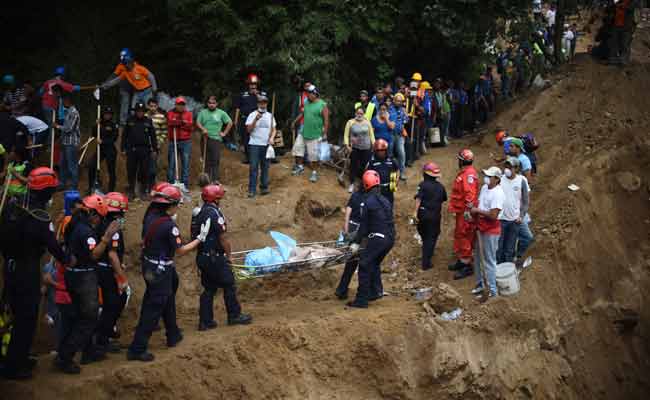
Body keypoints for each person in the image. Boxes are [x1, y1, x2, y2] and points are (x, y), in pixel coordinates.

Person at [127, 183, 210, 362]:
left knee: (169, 294)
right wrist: (199, 239)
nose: (177, 208)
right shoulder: (168, 226)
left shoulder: (150, 215)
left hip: (152, 265)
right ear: (169, 205)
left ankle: (173, 333)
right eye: (177, 204)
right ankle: (137, 347)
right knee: (154, 306)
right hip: (160, 269)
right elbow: (180, 250)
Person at [0, 168, 69, 379]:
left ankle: (15, 357)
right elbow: (53, 247)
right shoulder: (39, 217)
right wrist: (68, 259)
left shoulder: (12, 207)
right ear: (46, 192)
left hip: (10, 267)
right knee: (26, 319)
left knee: (13, 313)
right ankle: (14, 366)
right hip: (26, 270)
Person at [56, 195, 119, 373]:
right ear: (92, 214)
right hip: (83, 278)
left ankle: (88, 350)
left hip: (73, 276)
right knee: (88, 318)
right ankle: (65, 356)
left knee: (79, 315)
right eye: (99, 217)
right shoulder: (86, 231)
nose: (99, 221)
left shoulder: (73, 225)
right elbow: (94, 255)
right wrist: (106, 237)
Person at [195, 184, 252, 330]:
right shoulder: (215, 214)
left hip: (202, 256)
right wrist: (229, 256)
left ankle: (205, 321)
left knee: (209, 288)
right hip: (215, 257)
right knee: (229, 284)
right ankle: (234, 315)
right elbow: (223, 238)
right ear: (216, 199)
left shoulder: (198, 213)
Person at [346, 170, 395, 308]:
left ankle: (361, 300)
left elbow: (364, 227)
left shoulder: (367, 202)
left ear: (366, 185)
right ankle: (375, 292)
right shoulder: (385, 200)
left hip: (378, 238)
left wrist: (355, 242)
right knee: (373, 263)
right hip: (390, 238)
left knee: (364, 264)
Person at [94, 192, 129, 353]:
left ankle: (104, 334)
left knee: (114, 302)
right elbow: (112, 254)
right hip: (107, 270)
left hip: (101, 269)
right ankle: (102, 338)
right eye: (122, 214)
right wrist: (121, 277)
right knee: (113, 304)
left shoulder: (101, 222)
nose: (123, 217)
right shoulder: (113, 228)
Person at [470, 167, 505, 298]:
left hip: (491, 230)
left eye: (489, 176)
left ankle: (493, 290)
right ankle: (480, 285)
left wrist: (477, 211)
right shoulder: (485, 188)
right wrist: (473, 208)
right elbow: (480, 204)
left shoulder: (498, 193)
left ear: (496, 179)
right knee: (478, 256)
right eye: (486, 175)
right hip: (481, 227)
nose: (486, 178)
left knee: (489, 260)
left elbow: (493, 215)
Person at [100, 49, 157, 130]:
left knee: (150, 109)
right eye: (125, 64)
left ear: (131, 61)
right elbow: (116, 80)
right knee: (133, 110)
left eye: (127, 63)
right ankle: (135, 128)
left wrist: (154, 89)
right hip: (137, 92)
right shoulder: (125, 72)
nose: (126, 65)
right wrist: (105, 85)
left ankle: (153, 127)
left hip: (147, 91)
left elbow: (151, 76)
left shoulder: (140, 68)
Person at [448, 149, 479, 280]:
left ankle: (467, 265)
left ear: (461, 161)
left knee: (465, 235)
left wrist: (467, 211)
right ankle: (462, 260)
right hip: (461, 211)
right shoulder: (466, 173)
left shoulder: (468, 175)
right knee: (460, 234)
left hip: (465, 212)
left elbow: (470, 195)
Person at [413, 162, 447, 271]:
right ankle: (426, 262)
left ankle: (426, 254)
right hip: (434, 216)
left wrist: (414, 213)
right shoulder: (441, 187)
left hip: (422, 215)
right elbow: (443, 199)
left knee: (424, 235)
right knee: (432, 237)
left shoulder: (422, 185)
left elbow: (418, 199)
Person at [292, 85, 329, 182]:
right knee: (298, 149)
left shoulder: (322, 105)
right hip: (303, 132)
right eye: (307, 93)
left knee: (313, 156)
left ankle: (314, 173)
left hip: (315, 134)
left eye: (309, 93)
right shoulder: (306, 102)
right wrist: (294, 122)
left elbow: (326, 121)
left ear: (315, 94)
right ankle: (300, 167)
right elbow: (302, 113)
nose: (307, 95)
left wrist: (324, 134)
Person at [496, 157, 529, 264]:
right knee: (498, 247)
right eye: (506, 166)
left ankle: (507, 268)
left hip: (514, 220)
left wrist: (521, 215)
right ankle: (498, 269)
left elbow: (525, 201)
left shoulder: (522, 180)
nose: (507, 169)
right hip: (500, 219)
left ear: (516, 168)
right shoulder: (500, 179)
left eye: (510, 167)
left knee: (510, 248)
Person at [335, 181, 364, 299]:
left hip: (352, 226)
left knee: (351, 262)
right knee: (364, 261)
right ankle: (365, 292)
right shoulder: (371, 198)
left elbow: (347, 213)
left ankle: (342, 289)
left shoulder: (356, 195)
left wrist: (346, 230)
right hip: (362, 230)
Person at [123, 102, 157, 200]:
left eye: (142, 111)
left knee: (144, 171)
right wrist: (123, 148)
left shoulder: (148, 121)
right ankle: (131, 192)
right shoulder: (130, 120)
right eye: (138, 111)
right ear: (135, 111)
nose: (140, 113)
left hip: (145, 150)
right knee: (131, 171)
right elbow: (125, 135)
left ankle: (143, 192)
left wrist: (154, 149)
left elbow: (153, 136)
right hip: (132, 149)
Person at [196, 95, 233, 183]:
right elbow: (198, 122)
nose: (211, 105)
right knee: (206, 159)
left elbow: (230, 123)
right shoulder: (203, 112)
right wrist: (203, 129)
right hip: (205, 138)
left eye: (213, 103)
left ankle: (215, 179)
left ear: (217, 104)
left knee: (215, 159)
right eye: (209, 103)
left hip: (216, 139)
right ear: (207, 104)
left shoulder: (221, 113)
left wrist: (224, 133)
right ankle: (206, 180)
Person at [245, 95, 276, 197]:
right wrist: (255, 120)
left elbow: (274, 129)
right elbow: (248, 130)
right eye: (261, 102)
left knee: (265, 167)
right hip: (254, 144)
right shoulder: (252, 115)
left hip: (266, 144)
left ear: (266, 103)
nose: (263, 104)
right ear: (258, 103)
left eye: (264, 102)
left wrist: (272, 138)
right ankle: (252, 190)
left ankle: (264, 188)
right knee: (253, 167)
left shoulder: (270, 116)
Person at [234, 74, 265, 163]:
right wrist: (236, 120)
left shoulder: (262, 94)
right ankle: (248, 157)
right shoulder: (243, 95)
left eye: (254, 84)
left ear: (257, 85)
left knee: (257, 137)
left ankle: (258, 157)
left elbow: (264, 103)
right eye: (251, 84)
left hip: (257, 119)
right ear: (248, 85)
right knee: (246, 138)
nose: (253, 86)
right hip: (245, 119)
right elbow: (238, 107)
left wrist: (257, 95)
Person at [343, 107, 375, 193]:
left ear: (364, 114)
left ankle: (365, 185)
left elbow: (371, 134)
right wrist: (347, 146)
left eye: (361, 113)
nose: (359, 115)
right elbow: (346, 135)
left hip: (366, 147)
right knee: (353, 166)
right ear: (355, 114)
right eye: (358, 113)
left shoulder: (367, 122)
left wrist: (374, 144)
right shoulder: (350, 122)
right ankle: (352, 184)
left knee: (366, 166)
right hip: (355, 148)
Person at [88, 106, 119, 194]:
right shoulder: (99, 123)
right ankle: (91, 187)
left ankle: (111, 191)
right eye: (106, 114)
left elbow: (114, 138)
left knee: (111, 170)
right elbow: (93, 134)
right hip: (100, 149)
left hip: (110, 150)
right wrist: (95, 125)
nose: (107, 116)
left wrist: (103, 141)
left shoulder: (114, 125)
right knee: (92, 165)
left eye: (109, 114)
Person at [166, 97, 193, 192]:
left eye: (183, 104)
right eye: (179, 104)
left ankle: (184, 186)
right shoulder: (170, 113)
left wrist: (179, 123)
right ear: (176, 105)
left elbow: (190, 126)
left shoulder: (189, 114)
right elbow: (170, 122)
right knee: (171, 165)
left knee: (185, 164)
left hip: (185, 142)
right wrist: (181, 123)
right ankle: (171, 186)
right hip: (173, 141)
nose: (181, 106)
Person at [56, 93, 80, 190]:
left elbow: (69, 128)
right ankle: (62, 183)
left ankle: (74, 186)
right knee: (62, 164)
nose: (62, 103)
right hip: (65, 142)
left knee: (72, 166)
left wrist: (57, 126)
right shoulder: (67, 112)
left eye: (63, 101)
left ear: (68, 101)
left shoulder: (74, 112)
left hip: (71, 143)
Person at [365, 138, 398, 206]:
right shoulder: (371, 162)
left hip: (389, 190)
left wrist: (396, 181)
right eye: (378, 150)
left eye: (382, 150)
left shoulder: (391, 160)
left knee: (389, 206)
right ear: (375, 151)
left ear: (386, 150)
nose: (381, 152)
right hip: (377, 190)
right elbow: (366, 175)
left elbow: (397, 170)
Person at [147, 98, 167, 184]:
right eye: (151, 106)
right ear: (148, 106)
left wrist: (159, 142)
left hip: (156, 146)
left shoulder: (161, 117)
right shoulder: (144, 116)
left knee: (154, 167)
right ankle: (145, 185)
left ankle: (153, 184)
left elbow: (164, 132)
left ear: (157, 106)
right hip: (145, 145)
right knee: (144, 167)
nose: (152, 108)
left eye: (154, 106)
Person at [389, 93, 408, 181]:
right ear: (394, 100)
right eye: (397, 100)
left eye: (400, 101)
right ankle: (389, 172)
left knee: (402, 153)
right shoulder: (389, 109)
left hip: (400, 135)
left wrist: (405, 114)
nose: (399, 102)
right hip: (390, 135)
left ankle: (402, 172)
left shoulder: (403, 110)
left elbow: (406, 120)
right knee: (389, 154)